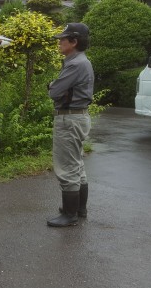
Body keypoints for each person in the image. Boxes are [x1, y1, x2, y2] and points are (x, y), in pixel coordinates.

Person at [47, 23, 94, 227]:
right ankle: (78, 209)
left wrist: (53, 87)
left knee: (67, 166)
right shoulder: (81, 61)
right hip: (78, 116)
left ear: (74, 42)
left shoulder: (75, 64)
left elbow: (54, 91)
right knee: (77, 164)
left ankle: (70, 214)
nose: (59, 42)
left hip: (70, 118)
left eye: (63, 39)